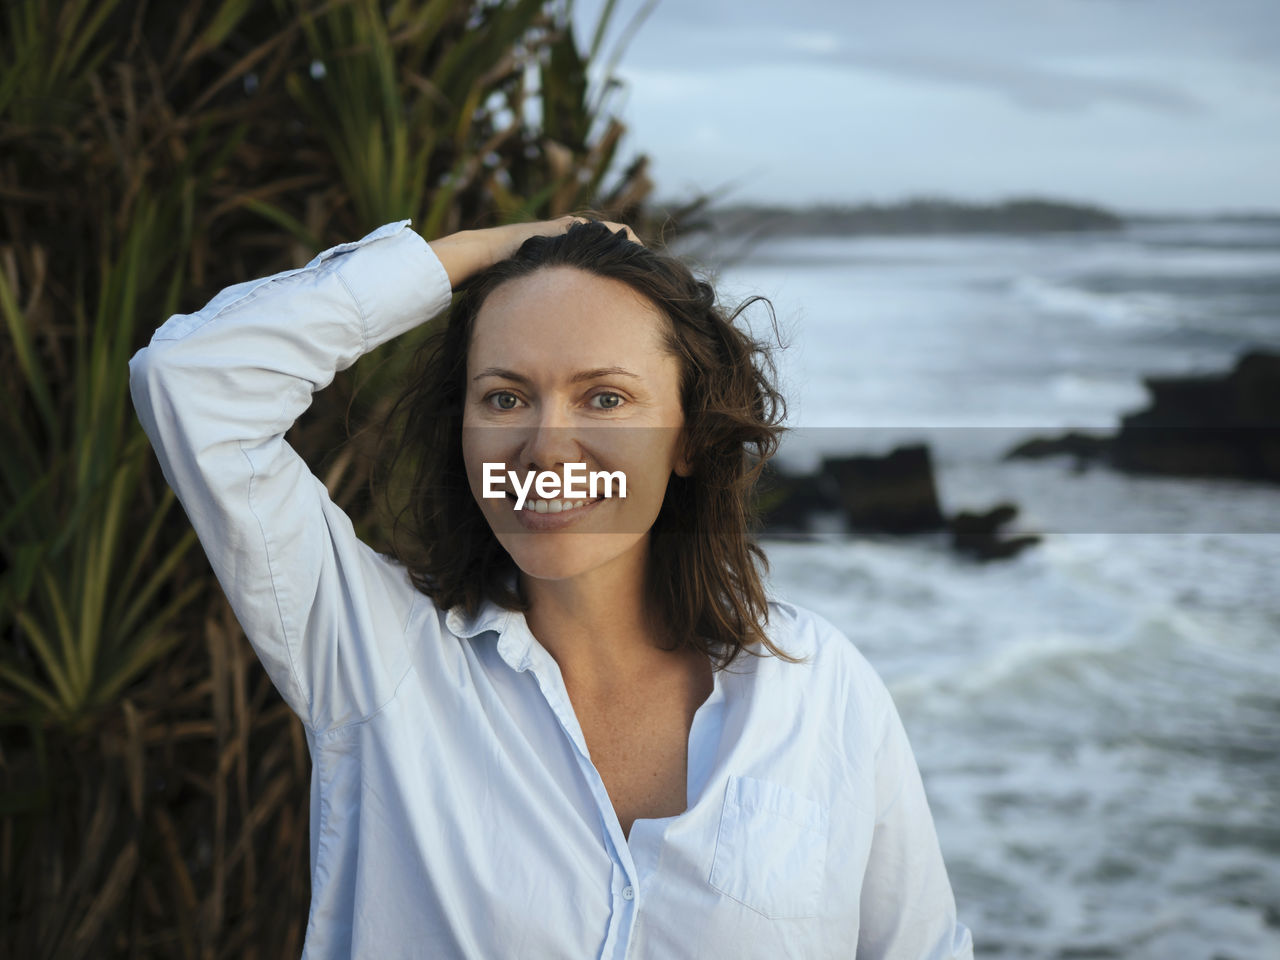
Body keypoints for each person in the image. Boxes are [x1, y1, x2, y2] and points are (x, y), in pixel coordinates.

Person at [128, 215, 974, 959]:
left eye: (605, 398)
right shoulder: (376, 658)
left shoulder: (819, 689)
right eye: (505, 398)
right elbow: (193, 380)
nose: (545, 448)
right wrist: (488, 250)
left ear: (688, 439)